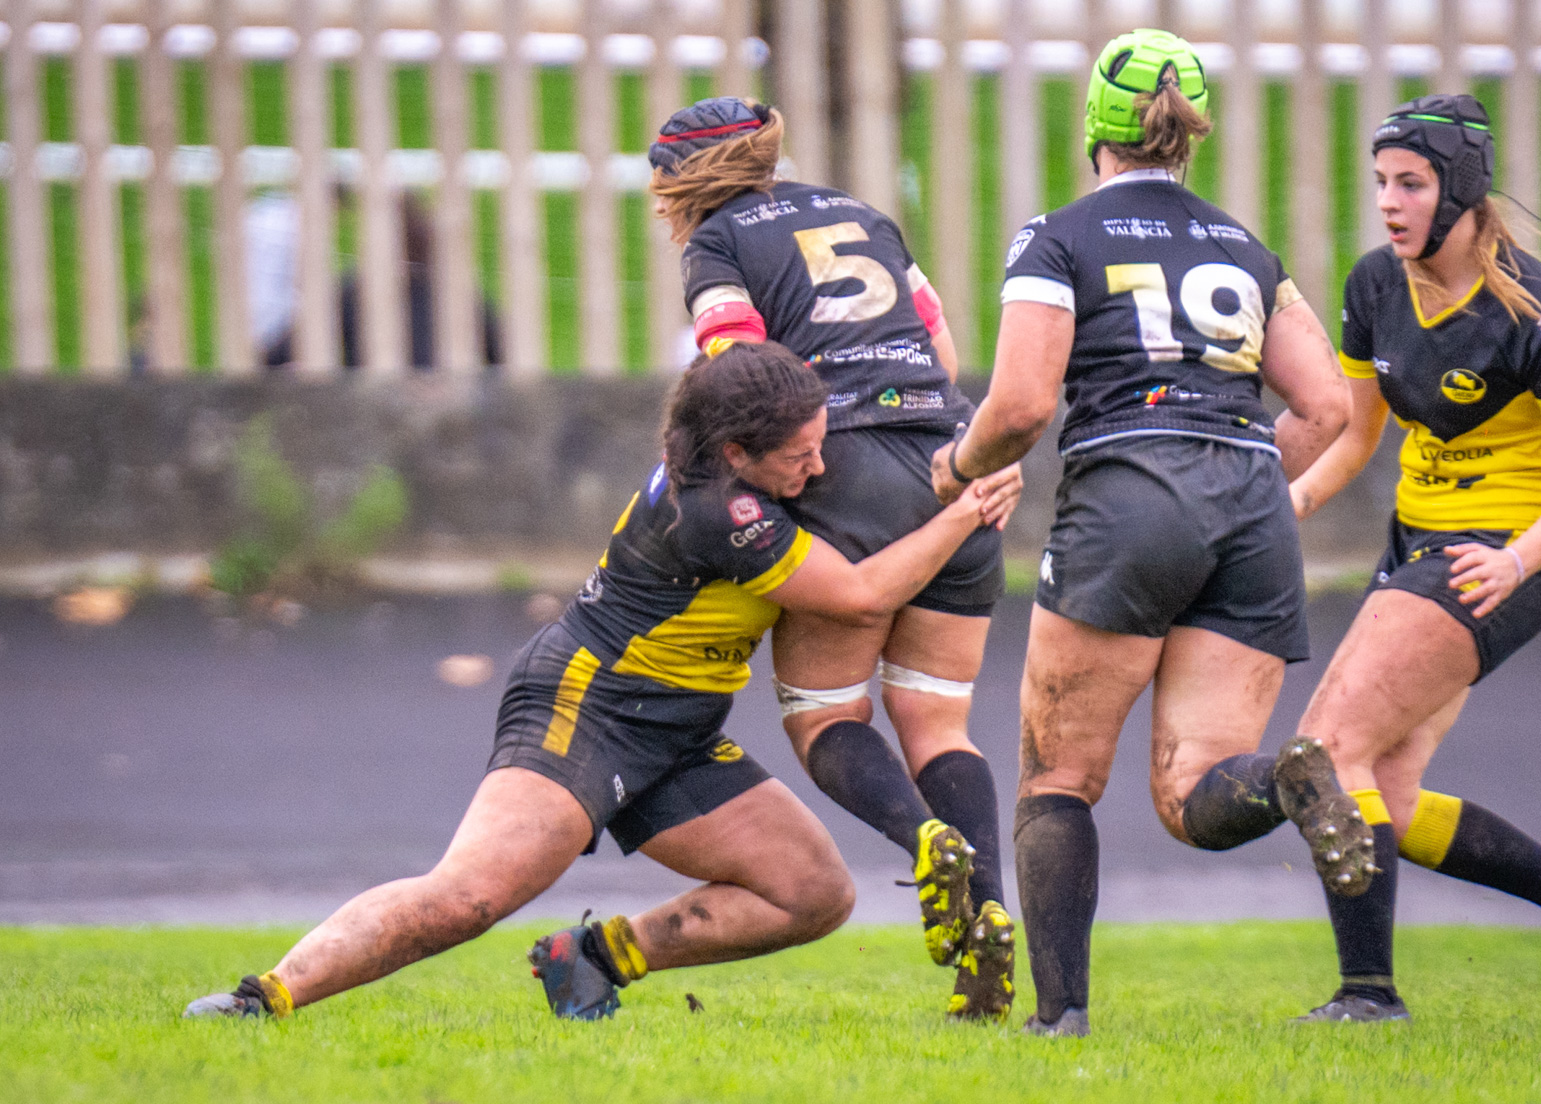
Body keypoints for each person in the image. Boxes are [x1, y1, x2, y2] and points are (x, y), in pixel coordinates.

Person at [183, 342, 1019, 1022]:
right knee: (469, 896)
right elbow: (864, 594)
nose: (818, 468)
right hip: (588, 705)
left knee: (812, 894)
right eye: (799, 456)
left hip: (677, 730)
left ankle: (591, 959)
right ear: (737, 454)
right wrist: (965, 509)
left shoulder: (745, 468)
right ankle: (264, 998)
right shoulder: (719, 510)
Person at [931, 29, 1361, 1037]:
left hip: (1130, 492)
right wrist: (1249, 486)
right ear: (1188, 135)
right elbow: (1330, 409)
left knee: (1058, 776)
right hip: (1252, 500)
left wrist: (955, 466)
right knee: (1194, 791)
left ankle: (1060, 1018)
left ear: (1098, 131)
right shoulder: (1245, 248)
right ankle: (1290, 782)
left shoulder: (1058, 237)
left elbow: (1024, 404)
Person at [1284, 94, 1541, 1024]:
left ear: (1460, 190)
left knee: (1328, 753)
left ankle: (1367, 996)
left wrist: (1519, 562)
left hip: (1494, 558)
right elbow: (1355, 436)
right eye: (1380, 183)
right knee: (1389, 798)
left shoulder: (1539, 314)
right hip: (1414, 546)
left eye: (1409, 183)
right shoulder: (1376, 286)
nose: (1389, 202)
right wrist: (1282, 506)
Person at [648, 97, 1021, 1019]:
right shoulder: (861, 213)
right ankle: (990, 916)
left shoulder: (718, 242)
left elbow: (741, 371)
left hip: (839, 462)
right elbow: (939, 346)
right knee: (938, 720)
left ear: (678, 183)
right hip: (949, 456)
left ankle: (927, 841)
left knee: (824, 715)